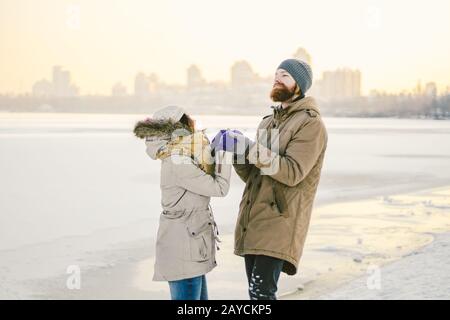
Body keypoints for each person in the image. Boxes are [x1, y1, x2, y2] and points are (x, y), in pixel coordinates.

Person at [219, 59, 328, 300]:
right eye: (277, 74)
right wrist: (237, 151)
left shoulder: (311, 123)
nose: (278, 79)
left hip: (281, 220)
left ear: (299, 85)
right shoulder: (268, 122)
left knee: (262, 294)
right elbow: (253, 175)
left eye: (285, 76)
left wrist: (250, 149)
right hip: (253, 218)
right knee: (256, 294)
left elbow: (292, 172)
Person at [134, 105, 233, 300]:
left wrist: (215, 148)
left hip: (190, 243)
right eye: (190, 120)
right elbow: (219, 188)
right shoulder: (177, 160)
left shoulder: (184, 154)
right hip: (184, 249)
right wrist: (225, 153)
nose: (195, 124)